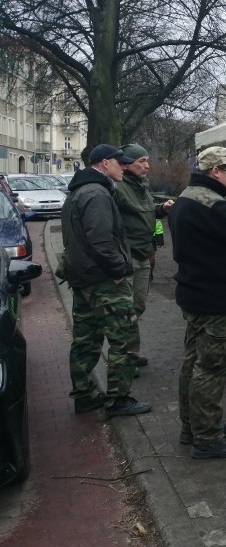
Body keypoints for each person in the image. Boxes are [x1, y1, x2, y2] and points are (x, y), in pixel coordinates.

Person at [169, 146, 226, 459]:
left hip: (196, 294)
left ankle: (192, 426)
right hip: (217, 299)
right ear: (216, 172)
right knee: (211, 369)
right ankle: (207, 438)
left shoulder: (186, 197)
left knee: (193, 362)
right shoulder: (213, 204)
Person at [61, 144, 153, 417]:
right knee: (123, 338)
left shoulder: (80, 190)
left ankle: (85, 394)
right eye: (119, 163)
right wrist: (120, 270)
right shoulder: (96, 193)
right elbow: (101, 242)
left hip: (84, 278)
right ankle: (118, 399)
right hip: (104, 280)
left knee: (86, 339)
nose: (123, 167)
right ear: (104, 164)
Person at [113, 144, 174, 372]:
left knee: (137, 307)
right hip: (127, 258)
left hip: (144, 256)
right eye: (142, 161)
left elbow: (144, 211)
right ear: (127, 163)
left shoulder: (142, 185)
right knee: (124, 311)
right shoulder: (117, 187)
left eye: (147, 160)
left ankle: (132, 352)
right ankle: (122, 360)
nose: (147, 165)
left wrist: (162, 209)